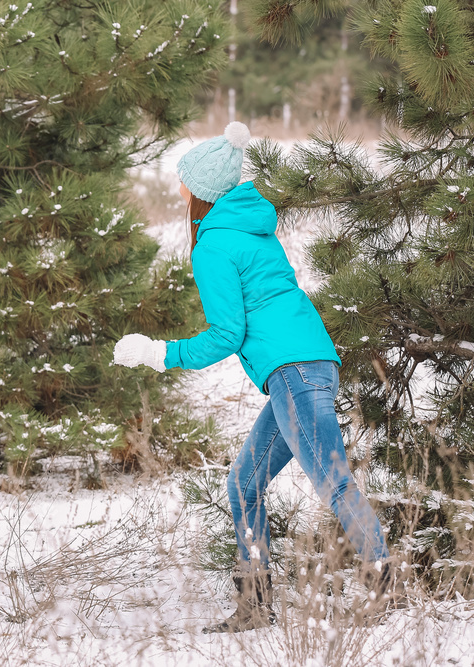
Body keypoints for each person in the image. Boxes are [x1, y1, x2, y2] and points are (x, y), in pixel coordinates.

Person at [113, 123, 396, 632]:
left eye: (185, 182)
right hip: (313, 363)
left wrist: (161, 353)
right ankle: (256, 602)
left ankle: (382, 587)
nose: (179, 190)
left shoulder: (215, 245)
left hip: (293, 371)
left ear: (202, 192)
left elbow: (227, 333)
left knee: (332, 479)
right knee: (245, 483)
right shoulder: (252, 228)